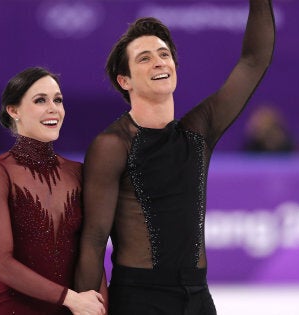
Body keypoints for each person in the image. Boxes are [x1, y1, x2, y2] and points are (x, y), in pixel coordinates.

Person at [75, 1, 275, 314]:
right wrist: (85, 304)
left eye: (164, 54)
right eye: (144, 58)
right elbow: (94, 237)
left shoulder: (198, 132)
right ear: (123, 80)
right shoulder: (113, 144)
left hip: (197, 296)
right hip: (139, 299)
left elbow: (254, 61)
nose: (159, 62)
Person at [0, 67, 106, 315]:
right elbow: (2, 265)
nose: (53, 108)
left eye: (58, 100)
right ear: (14, 110)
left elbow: (92, 254)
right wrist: (70, 299)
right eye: (40, 100)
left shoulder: (79, 173)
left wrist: (100, 309)